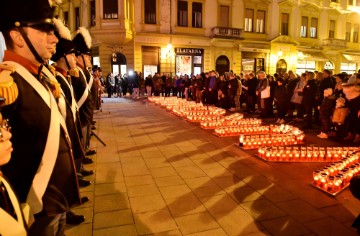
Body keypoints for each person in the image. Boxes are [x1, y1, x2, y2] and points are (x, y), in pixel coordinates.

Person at [0, 0, 81, 234]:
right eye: (45, 31)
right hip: (35, 208)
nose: (54, 38)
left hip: (55, 201)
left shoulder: (40, 77)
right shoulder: (8, 83)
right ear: (17, 36)